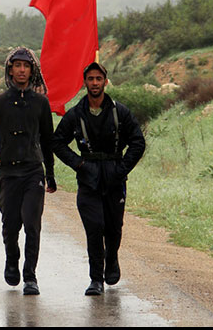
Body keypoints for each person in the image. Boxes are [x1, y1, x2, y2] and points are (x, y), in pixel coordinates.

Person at [51, 61, 146, 296]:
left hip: (114, 176)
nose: (95, 83)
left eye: (98, 79)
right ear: (85, 82)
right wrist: (79, 164)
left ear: (105, 81)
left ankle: (111, 258)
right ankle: (96, 279)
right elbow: (57, 142)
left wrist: (122, 168)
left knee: (113, 228)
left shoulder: (120, 112)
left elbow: (138, 141)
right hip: (88, 177)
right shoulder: (76, 114)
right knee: (94, 228)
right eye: (90, 79)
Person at [0, 47, 56, 296]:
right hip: (8, 174)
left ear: (32, 70)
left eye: (26, 66)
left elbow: (48, 141)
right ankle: (11, 259)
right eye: (17, 66)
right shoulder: (0, 102)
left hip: (33, 171)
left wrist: (50, 174)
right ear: (10, 69)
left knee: (32, 224)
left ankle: (30, 276)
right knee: (10, 224)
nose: (22, 70)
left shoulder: (41, 103)